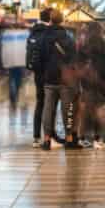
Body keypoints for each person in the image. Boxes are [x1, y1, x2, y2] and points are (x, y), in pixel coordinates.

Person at [37, 9, 74, 148]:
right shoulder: (67, 36)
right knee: (67, 109)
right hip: (64, 79)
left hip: (49, 78)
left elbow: (40, 57)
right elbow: (72, 57)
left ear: (50, 20)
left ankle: (46, 139)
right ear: (62, 20)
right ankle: (69, 138)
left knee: (48, 109)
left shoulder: (44, 37)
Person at [0, 16, 29, 117]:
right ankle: (16, 96)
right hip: (21, 61)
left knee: (12, 79)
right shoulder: (26, 34)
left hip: (10, 61)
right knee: (18, 80)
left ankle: (13, 98)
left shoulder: (4, 34)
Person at [27, 11, 52, 144]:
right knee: (50, 104)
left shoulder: (33, 32)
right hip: (49, 72)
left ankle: (36, 137)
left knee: (40, 102)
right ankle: (49, 136)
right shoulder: (48, 32)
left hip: (37, 72)